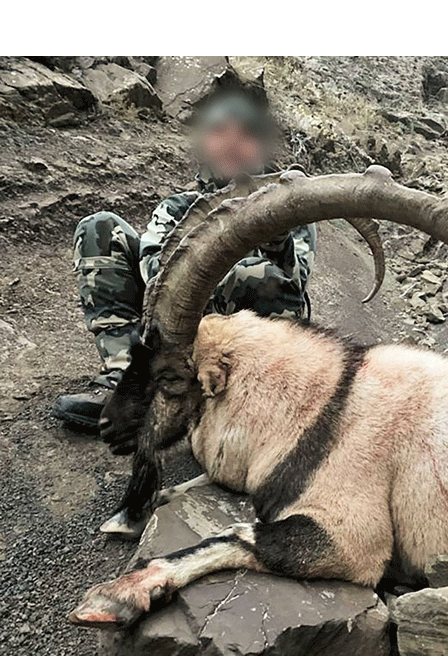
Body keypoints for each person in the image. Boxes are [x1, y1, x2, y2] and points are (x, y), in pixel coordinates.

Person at [54, 92, 316, 429]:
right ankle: (128, 386)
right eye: (220, 131)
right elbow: (154, 267)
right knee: (99, 228)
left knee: (258, 273)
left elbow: (293, 287)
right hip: (180, 326)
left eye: (246, 134)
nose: (232, 143)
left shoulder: (292, 207)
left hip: (252, 345)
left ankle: (261, 404)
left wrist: (275, 234)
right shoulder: (179, 206)